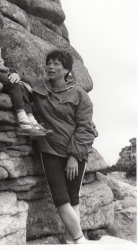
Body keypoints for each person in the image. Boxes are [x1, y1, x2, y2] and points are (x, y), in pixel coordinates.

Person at [30, 50, 97, 244]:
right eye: (49, 63)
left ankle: (71, 242)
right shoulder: (39, 87)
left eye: (56, 64)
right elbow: (21, 82)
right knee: (61, 198)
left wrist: (74, 157)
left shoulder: (80, 95)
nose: (50, 67)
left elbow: (85, 128)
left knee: (73, 198)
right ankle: (80, 241)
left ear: (66, 69)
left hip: (75, 153)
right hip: (50, 150)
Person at [0, 8, 52, 137]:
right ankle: (23, 123)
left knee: (19, 84)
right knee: (12, 84)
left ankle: (32, 121)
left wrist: (10, 72)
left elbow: (0, 62)